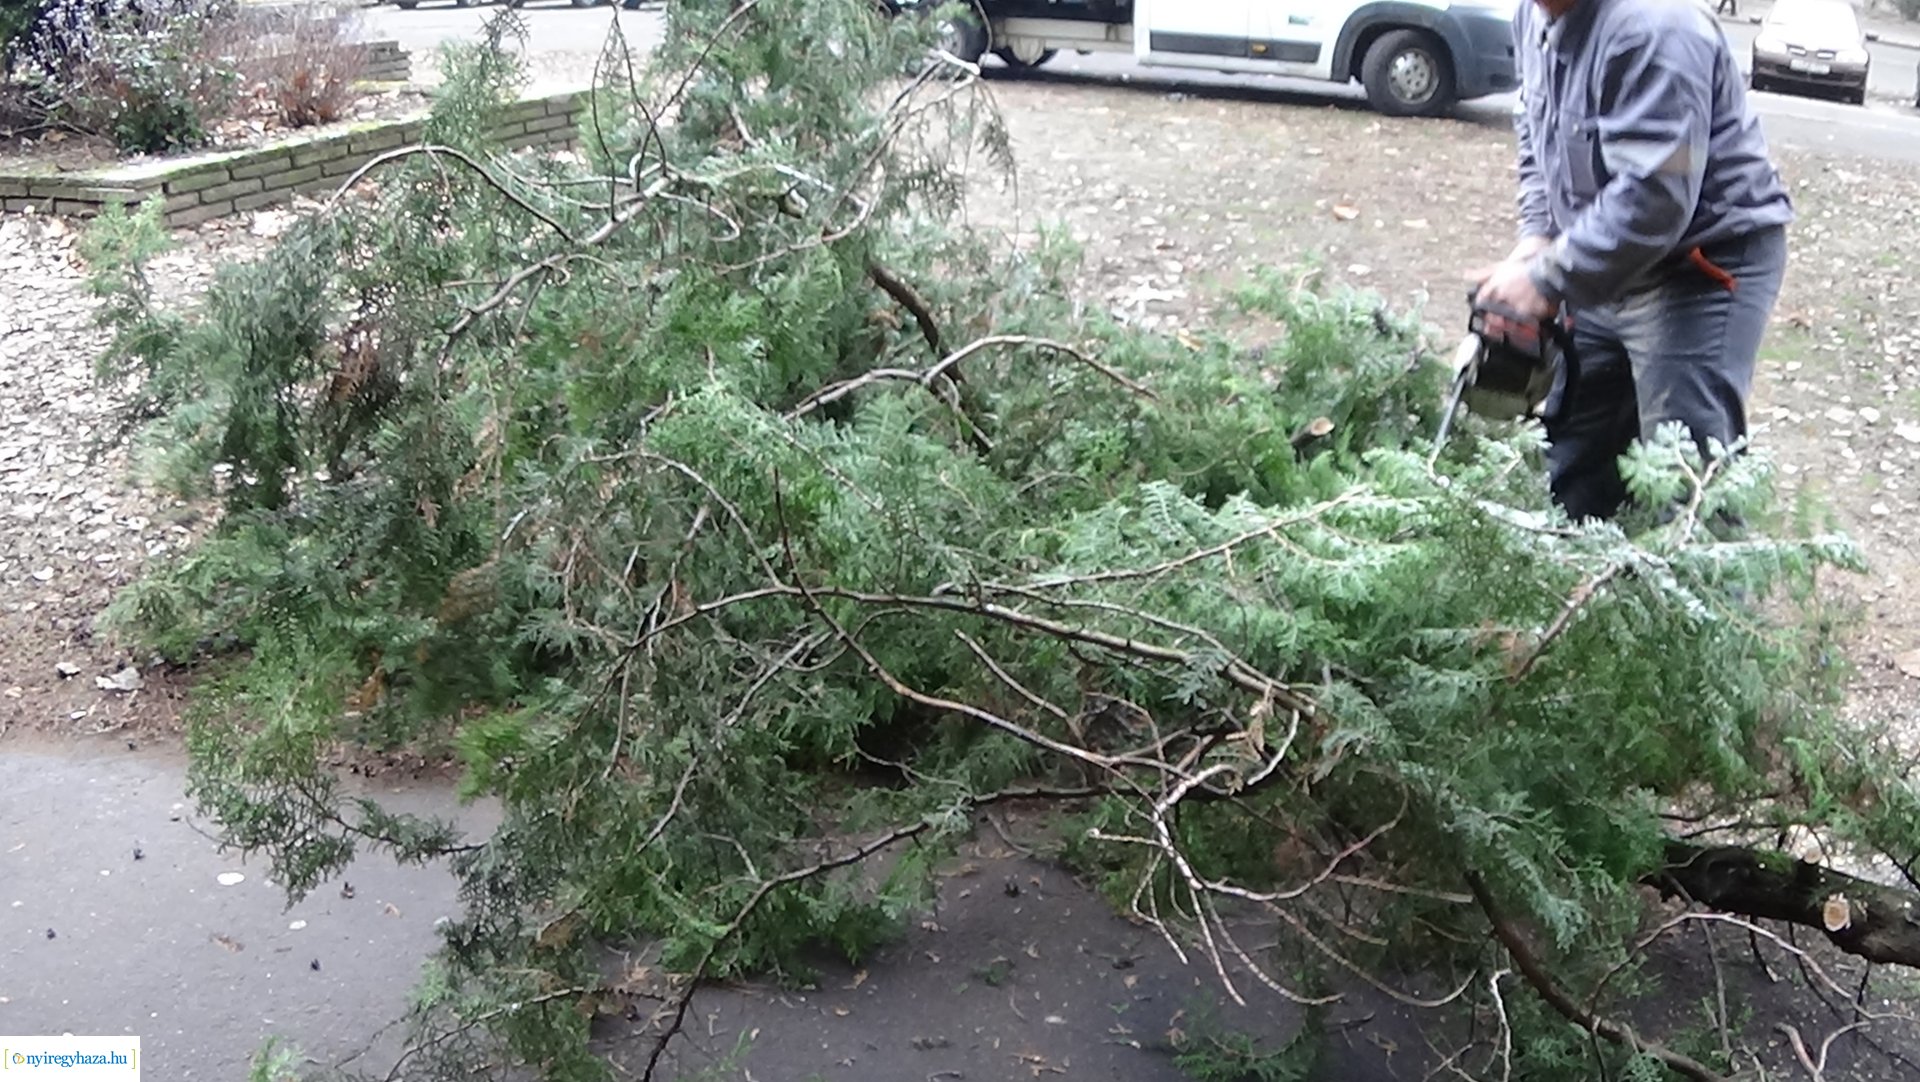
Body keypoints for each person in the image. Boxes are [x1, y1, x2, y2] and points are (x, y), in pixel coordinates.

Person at [1468, 0, 1794, 523]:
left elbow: (1657, 194)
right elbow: (1533, 127)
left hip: (1700, 264)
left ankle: (1703, 597)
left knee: (1685, 471)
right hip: (1601, 253)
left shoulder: (1657, 27)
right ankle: (1577, 596)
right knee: (1572, 450)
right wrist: (1539, 237)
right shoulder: (1534, 15)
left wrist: (1550, 278)